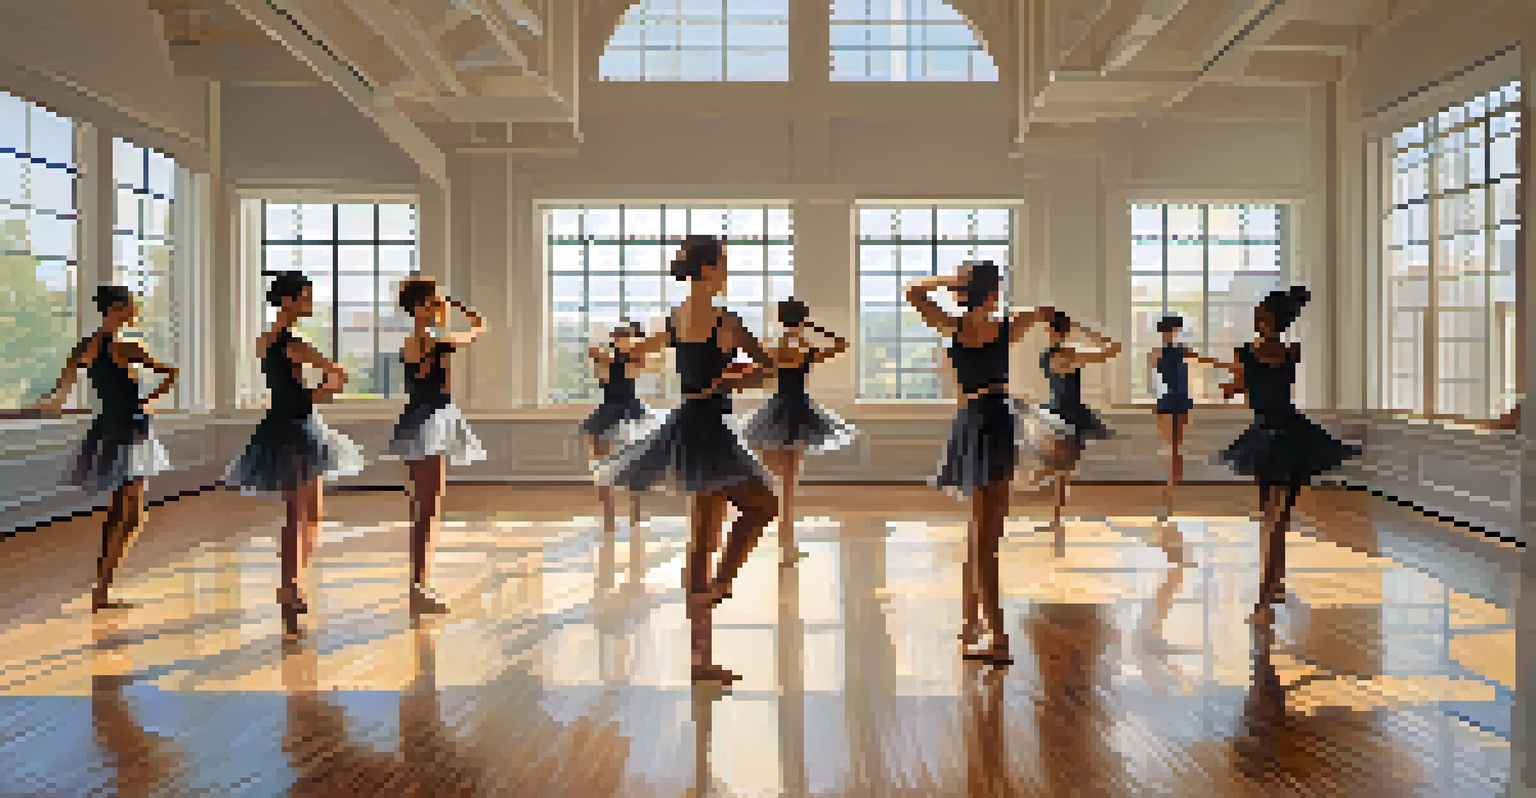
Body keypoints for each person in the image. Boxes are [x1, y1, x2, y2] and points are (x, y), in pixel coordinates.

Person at [595, 234, 780, 683]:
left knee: (701, 541)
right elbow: (770, 369)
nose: (728, 273)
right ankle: (723, 583)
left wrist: (619, 350)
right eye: (724, 265)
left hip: (687, 426)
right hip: (712, 429)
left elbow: (637, 352)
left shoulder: (676, 319)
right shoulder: (727, 321)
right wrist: (737, 377)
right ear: (710, 269)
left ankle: (701, 658)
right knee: (763, 506)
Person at [906, 260, 1056, 665]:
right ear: (992, 292)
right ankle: (990, 631)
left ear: (964, 289)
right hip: (998, 419)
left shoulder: (954, 327)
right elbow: (1045, 312)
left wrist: (950, 282)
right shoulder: (1008, 324)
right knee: (987, 536)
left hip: (973, 420)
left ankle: (978, 626)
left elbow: (913, 292)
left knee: (980, 532)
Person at [225, 271, 365, 635]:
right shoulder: (296, 343)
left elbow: (286, 386)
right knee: (305, 514)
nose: (309, 303)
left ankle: (293, 584)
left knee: (303, 511)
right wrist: (327, 386)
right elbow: (335, 376)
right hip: (299, 426)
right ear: (287, 300)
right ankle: (291, 585)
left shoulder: (264, 340)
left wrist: (319, 387)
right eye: (304, 296)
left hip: (279, 424)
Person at [1217, 286, 1360, 625]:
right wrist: (1234, 386)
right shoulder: (1291, 352)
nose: (1254, 316)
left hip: (1275, 435)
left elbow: (1245, 385)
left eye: (1259, 313)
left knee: (1273, 520)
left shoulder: (1246, 353)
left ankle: (1264, 603)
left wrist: (1230, 387)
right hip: (1288, 434)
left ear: (1268, 320)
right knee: (1276, 519)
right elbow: (1259, 384)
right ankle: (1275, 584)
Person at [28, 285, 176, 611]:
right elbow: (171, 374)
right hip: (130, 429)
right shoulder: (127, 347)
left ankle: (103, 588)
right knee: (131, 513)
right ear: (118, 308)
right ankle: (102, 591)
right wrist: (147, 401)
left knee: (124, 511)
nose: (136, 310)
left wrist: (33, 408)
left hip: (110, 428)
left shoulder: (83, 349)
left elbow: (58, 398)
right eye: (132, 305)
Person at [383, 277, 487, 615]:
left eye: (435, 302)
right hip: (427, 420)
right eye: (428, 302)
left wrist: (451, 306)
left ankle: (419, 586)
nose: (434, 307)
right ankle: (417, 588)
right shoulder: (423, 339)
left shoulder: (427, 337)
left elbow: (477, 327)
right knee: (426, 506)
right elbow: (474, 328)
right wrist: (452, 311)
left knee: (427, 506)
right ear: (414, 307)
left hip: (429, 418)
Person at [741, 297, 856, 565]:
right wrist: (812, 327)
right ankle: (787, 545)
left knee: (782, 484)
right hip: (800, 411)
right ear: (802, 318)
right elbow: (841, 344)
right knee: (790, 484)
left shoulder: (774, 346)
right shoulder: (805, 346)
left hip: (778, 410)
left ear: (781, 318)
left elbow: (758, 369)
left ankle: (786, 544)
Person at [1033, 311, 1120, 556]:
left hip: (1055, 411)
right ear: (1066, 330)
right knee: (1063, 469)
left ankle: (1056, 518)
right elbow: (1113, 348)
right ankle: (1056, 518)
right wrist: (1083, 327)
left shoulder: (1046, 356)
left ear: (1050, 330)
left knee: (1060, 467)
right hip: (1069, 413)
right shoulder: (1071, 353)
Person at [579, 321, 654, 540]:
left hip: (631, 411)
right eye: (619, 336)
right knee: (602, 466)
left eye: (626, 336)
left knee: (636, 465)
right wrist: (607, 356)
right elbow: (601, 369)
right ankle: (609, 517)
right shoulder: (605, 358)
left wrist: (627, 349)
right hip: (608, 411)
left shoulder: (635, 359)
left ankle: (635, 515)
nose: (622, 339)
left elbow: (635, 367)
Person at [1149, 315, 1228, 507]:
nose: (1172, 333)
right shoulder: (1158, 352)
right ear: (1164, 332)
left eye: (1174, 330)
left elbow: (1205, 360)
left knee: (1177, 445)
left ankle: (1172, 484)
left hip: (1182, 398)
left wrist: (1229, 366)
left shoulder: (1180, 350)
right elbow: (1158, 373)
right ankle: (1170, 485)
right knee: (1171, 446)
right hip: (1168, 399)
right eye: (1170, 330)